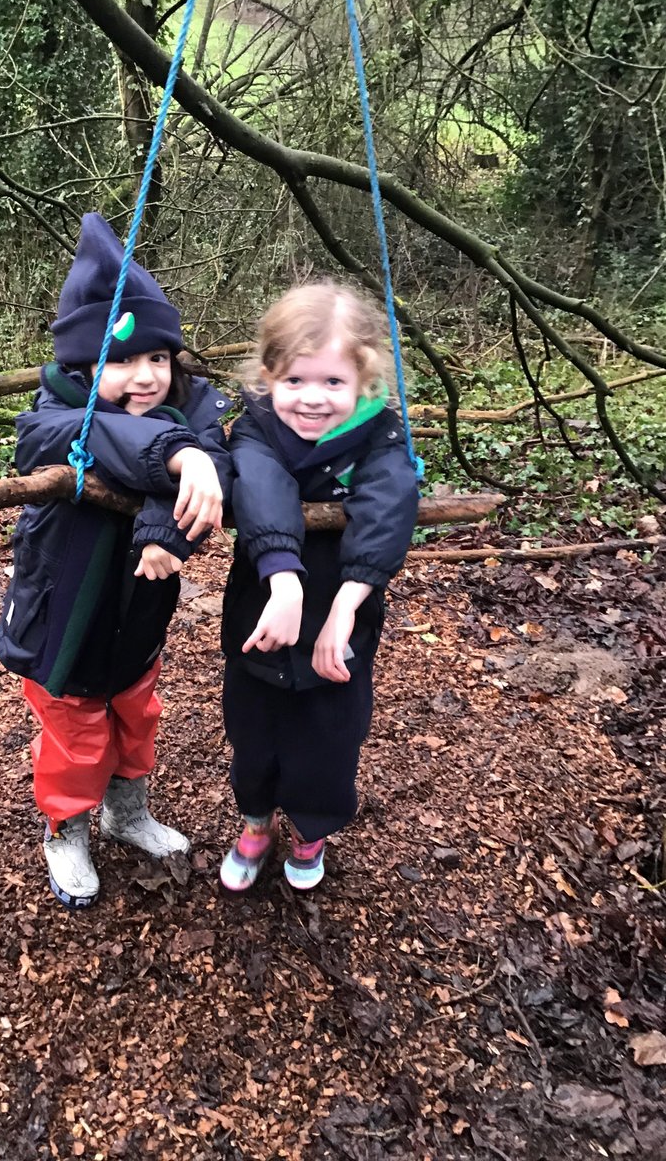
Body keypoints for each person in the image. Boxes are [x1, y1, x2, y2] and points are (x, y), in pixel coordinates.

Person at [0, 212, 232, 909]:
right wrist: (177, 454)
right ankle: (65, 828)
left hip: (136, 620)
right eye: (122, 360)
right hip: (61, 623)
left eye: (157, 357)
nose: (146, 376)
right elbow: (109, 438)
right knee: (76, 735)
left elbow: (212, 464)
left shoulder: (196, 410)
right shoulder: (53, 416)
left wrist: (171, 527)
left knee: (136, 717)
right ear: (81, 364)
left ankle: (126, 814)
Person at [218, 281, 419, 892]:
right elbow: (262, 485)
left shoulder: (380, 434)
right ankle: (255, 824)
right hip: (263, 610)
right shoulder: (254, 429)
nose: (312, 399)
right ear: (269, 376)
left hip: (342, 619)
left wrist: (347, 607)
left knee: (330, 738)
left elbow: (390, 503)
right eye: (296, 381)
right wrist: (283, 581)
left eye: (333, 383)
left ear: (361, 381)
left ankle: (310, 831)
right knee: (252, 733)